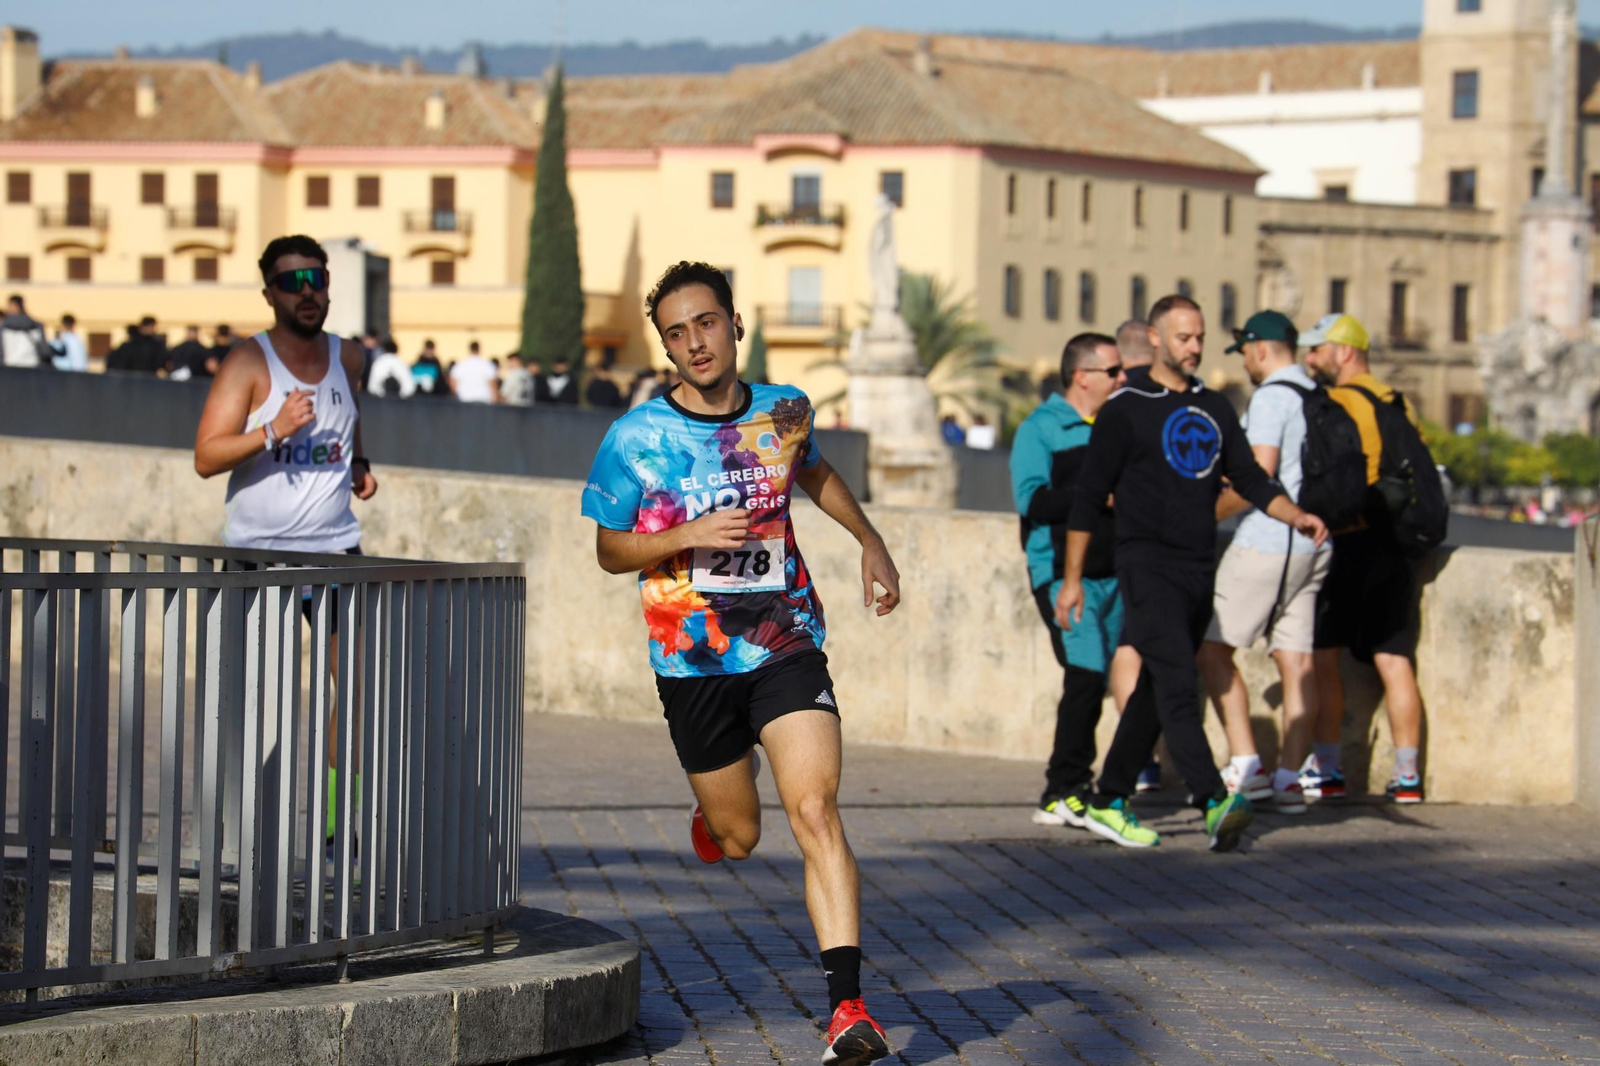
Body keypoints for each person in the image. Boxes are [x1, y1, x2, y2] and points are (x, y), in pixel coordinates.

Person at [581, 261, 900, 1065]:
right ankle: (717, 807)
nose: (696, 342)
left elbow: (814, 472)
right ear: (665, 347)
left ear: (735, 325)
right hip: (692, 660)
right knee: (740, 834)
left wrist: (869, 540)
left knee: (815, 810)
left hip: (784, 638)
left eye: (707, 323)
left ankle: (847, 1010)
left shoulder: (784, 412)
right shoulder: (635, 438)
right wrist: (685, 536)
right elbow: (610, 549)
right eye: (677, 332)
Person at [1057, 294, 1328, 852]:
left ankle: (1108, 799)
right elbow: (1087, 498)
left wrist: (1295, 515)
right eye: (1184, 337)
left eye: (1200, 337)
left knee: (1155, 690)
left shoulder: (1214, 406)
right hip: (1146, 565)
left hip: (1198, 568)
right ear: (1156, 338)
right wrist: (1073, 578)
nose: (1195, 347)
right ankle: (1214, 802)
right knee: (1179, 682)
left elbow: (1250, 478)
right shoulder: (1125, 407)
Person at [193, 234, 380, 845]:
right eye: (291, 283)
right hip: (260, 554)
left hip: (334, 549)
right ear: (269, 293)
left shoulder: (349, 356)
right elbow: (205, 456)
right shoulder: (249, 362)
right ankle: (245, 834)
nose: (307, 293)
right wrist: (272, 429)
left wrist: (358, 463)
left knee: (360, 687)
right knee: (261, 698)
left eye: (316, 280)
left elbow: (350, 420)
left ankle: (337, 826)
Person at [1197, 311, 1333, 815]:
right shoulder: (1318, 394)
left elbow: (1259, 474)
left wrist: (1202, 515)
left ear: (1259, 349)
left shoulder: (1273, 397)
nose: (1246, 365)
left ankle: (1246, 765)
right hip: (1317, 543)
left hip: (1269, 541)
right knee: (1296, 660)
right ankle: (1290, 778)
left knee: (1212, 649)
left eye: (1246, 355)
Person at [1302, 313, 1426, 803]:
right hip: (1394, 545)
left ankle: (1328, 769)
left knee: (1322, 657)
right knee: (1395, 660)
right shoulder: (1399, 401)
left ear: (1345, 351)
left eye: (1317, 349)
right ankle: (1408, 776)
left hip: (1348, 540)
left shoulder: (1338, 403)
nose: (1311, 358)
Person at [1011, 332, 1132, 830]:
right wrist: (1096, 493)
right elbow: (1032, 500)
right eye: (1114, 371)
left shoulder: (1118, 424)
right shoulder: (1040, 429)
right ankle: (1063, 789)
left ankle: (1111, 779)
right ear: (1082, 376)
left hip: (1118, 571)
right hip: (1061, 574)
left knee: (1105, 677)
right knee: (1085, 674)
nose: (1123, 378)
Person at [2, 295, 50, 368]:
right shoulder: (36, 326)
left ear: (14, 305)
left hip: (10, 367)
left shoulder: (4, 327)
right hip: (32, 366)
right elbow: (44, 351)